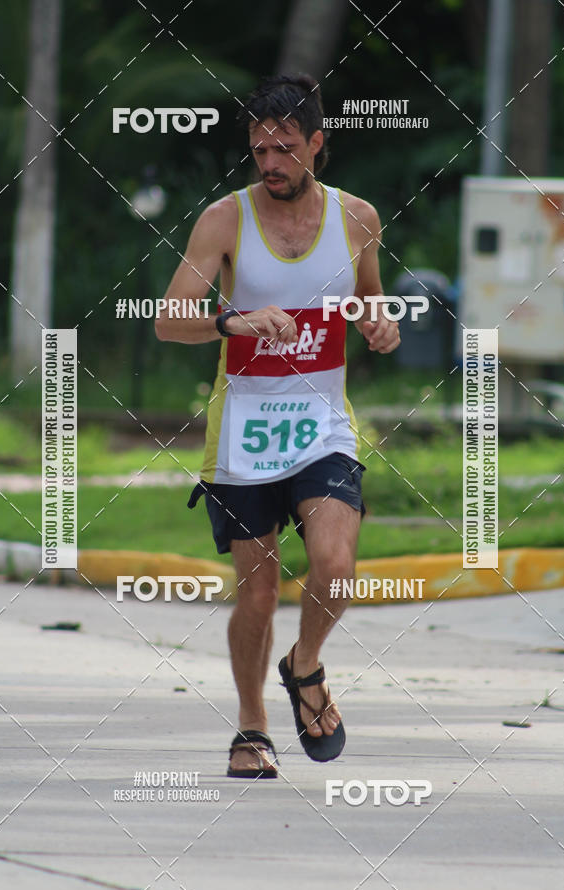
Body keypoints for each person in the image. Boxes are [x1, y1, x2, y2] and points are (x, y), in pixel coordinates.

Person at [155, 73, 400, 778]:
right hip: (244, 428)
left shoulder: (358, 218)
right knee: (257, 591)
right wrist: (233, 320)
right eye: (261, 150)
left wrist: (377, 325)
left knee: (335, 568)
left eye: (286, 149)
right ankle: (253, 728)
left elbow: (368, 300)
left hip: (322, 422)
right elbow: (170, 322)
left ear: (317, 145)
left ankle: (306, 664)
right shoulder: (223, 220)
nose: (271, 164)